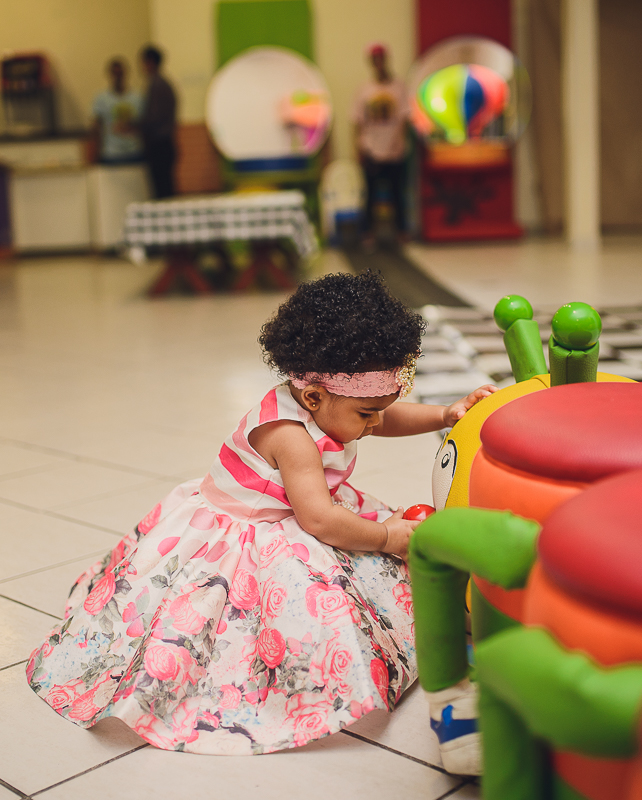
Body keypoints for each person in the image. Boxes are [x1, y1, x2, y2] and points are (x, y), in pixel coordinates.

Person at [26, 271, 496, 755]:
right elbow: (318, 521)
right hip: (247, 540)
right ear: (314, 397)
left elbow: (385, 416)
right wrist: (385, 538)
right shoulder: (290, 436)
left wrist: (444, 414)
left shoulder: (337, 400)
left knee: (371, 563)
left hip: (300, 513)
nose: (376, 422)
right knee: (299, 603)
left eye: (381, 408)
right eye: (366, 414)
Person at [353, 43, 409, 241]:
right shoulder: (364, 90)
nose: (378, 64)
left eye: (381, 59)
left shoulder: (399, 87)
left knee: (397, 193)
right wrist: (358, 148)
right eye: (374, 61)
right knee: (370, 195)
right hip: (371, 149)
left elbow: (404, 119)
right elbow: (357, 121)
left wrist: (397, 143)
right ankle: (368, 233)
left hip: (394, 150)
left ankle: (401, 231)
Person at [137, 44, 178, 198]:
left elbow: (154, 118)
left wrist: (134, 126)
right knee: (164, 188)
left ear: (150, 62)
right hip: (163, 144)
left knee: (163, 191)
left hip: (160, 146)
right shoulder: (161, 84)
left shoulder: (158, 85)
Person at [91, 57, 144, 164]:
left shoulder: (138, 98)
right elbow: (96, 127)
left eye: (120, 73)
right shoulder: (101, 99)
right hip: (111, 154)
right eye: (115, 73)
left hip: (135, 153)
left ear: (126, 74)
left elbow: (144, 125)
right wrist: (95, 154)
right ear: (109, 75)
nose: (118, 77)